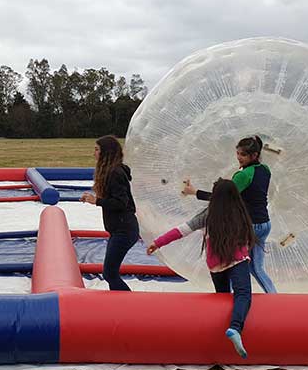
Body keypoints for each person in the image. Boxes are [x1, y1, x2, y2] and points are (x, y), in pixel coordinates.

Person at [148, 179, 256, 358]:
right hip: (237, 260)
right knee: (243, 294)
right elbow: (249, 236)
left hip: (216, 264)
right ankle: (235, 327)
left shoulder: (209, 215)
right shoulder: (240, 211)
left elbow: (181, 230)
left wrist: (158, 243)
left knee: (222, 299)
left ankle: (218, 336)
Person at [182, 135, 276, 294]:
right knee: (257, 268)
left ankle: (230, 298)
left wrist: (194, 192)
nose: (239, 157)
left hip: (250, 226)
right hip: (265, 223)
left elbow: (221, 198)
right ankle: (274, 298)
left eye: (243, 155)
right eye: (238, 153)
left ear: (254, 155)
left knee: (233, 264)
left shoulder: (243, 175)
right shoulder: (265, 170)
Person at [80, 135, 140, 291]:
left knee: (109, 273)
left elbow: (122, 202)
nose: (94, 153)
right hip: (119, 229)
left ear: (106, 152)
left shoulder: (115, 173)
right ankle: (121, 305)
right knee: (110, 272)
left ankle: (129, 305)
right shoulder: (112, 172)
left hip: (125, 230)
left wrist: (97, 201)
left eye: (97, 149)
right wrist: (93, 198)